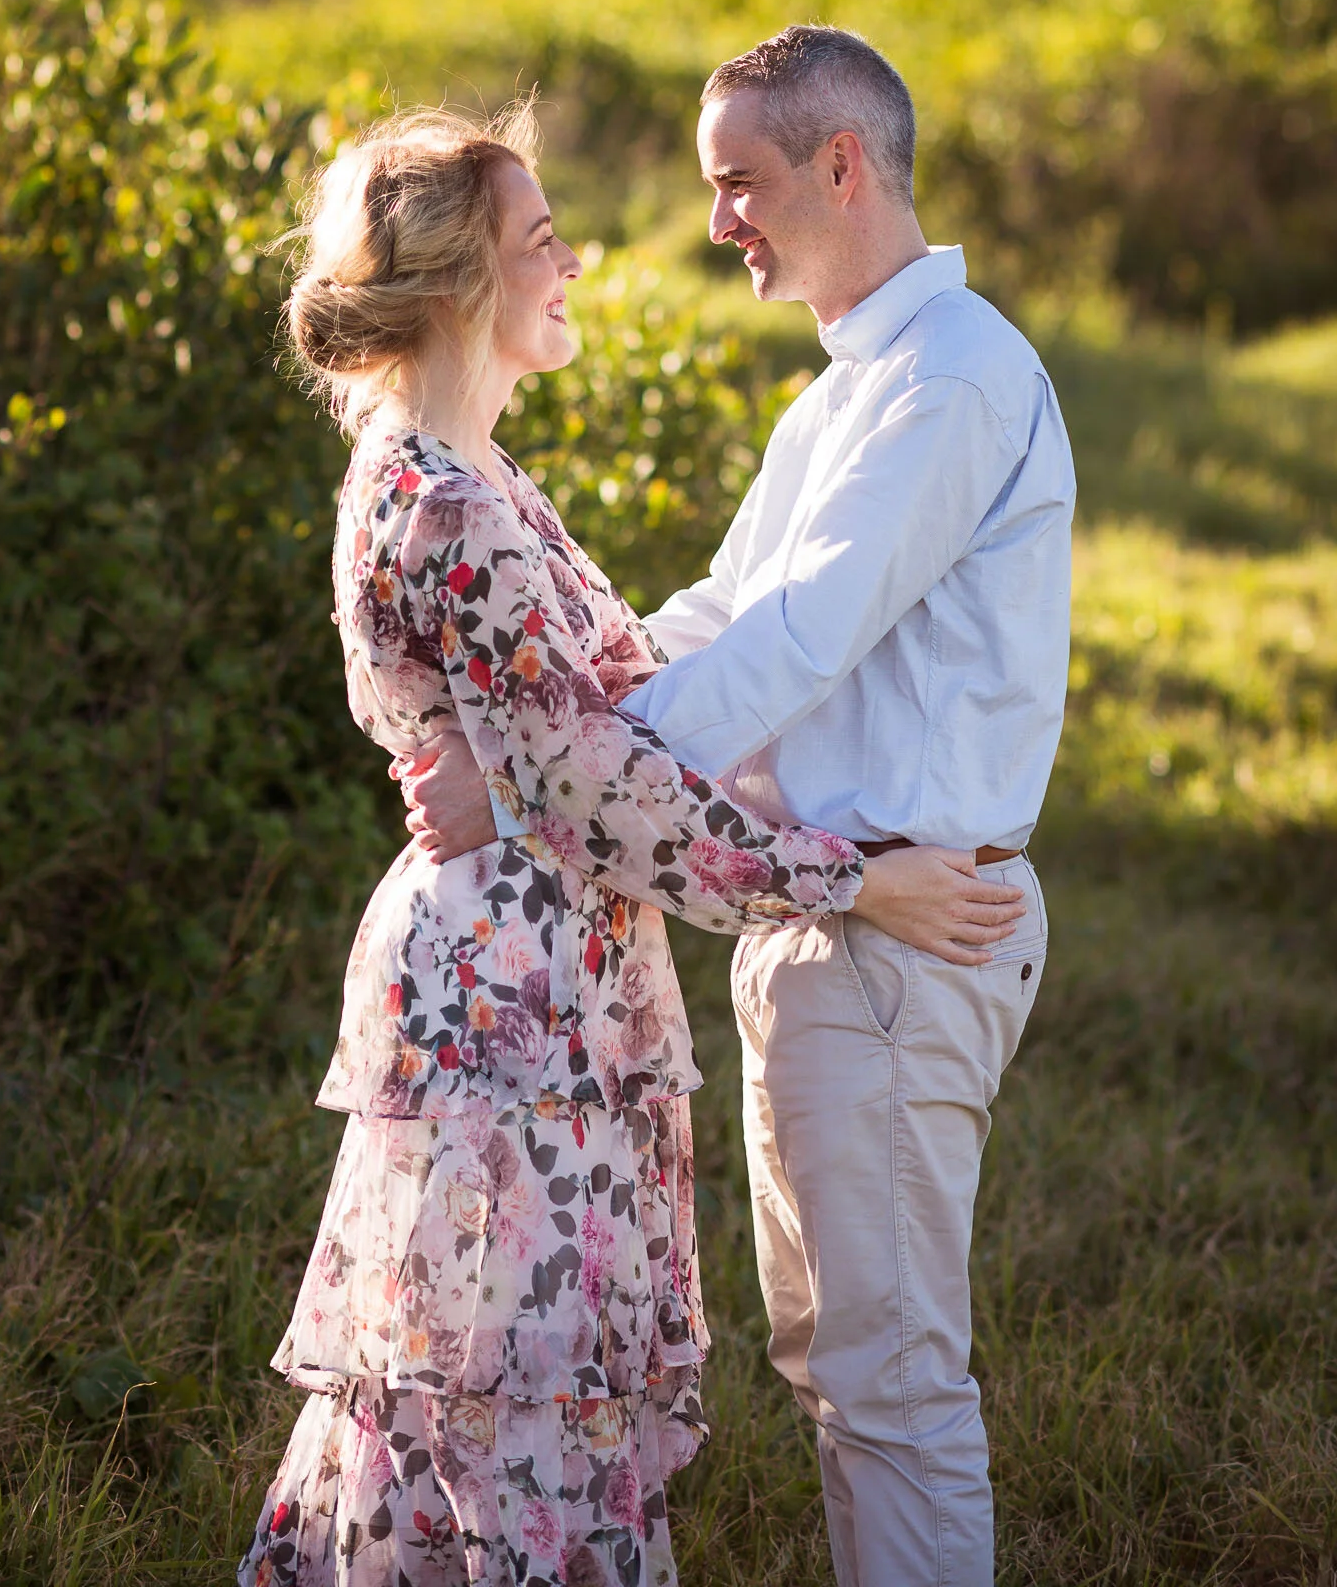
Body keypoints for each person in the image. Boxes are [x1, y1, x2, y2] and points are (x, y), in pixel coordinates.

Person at [238, 101, 1027, 1587]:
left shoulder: (465, 482)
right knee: (504, 1409)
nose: (577, 263)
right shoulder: (446, 502)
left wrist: (528, 769)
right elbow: (603, 783)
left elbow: (593, 724)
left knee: (494, 1398)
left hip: (546, 980)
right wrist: (847, 877)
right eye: (545, 241)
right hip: (514, 1005)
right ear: (469, 280)